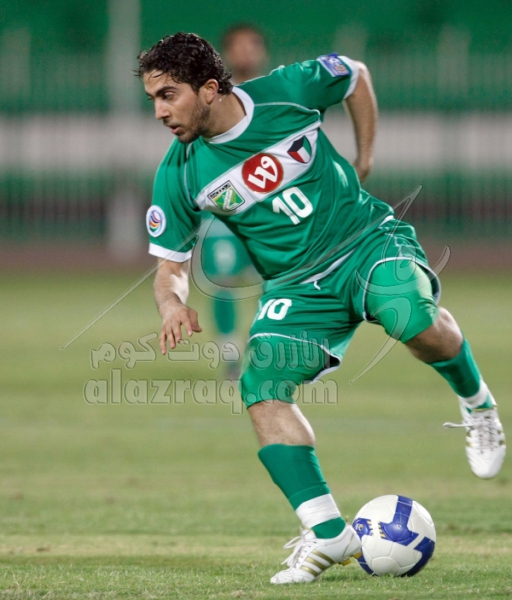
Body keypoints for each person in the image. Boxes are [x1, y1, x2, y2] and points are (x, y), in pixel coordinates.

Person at [138, 32, 506, 585]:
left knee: (409, 316)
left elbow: (355, 75)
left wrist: (365, 156)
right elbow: (169, 267)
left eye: (169, 96)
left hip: (365, 242)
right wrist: (172, 305)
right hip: (297, 288)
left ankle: (478, 406)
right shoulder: (179, 172)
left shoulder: (287, 91)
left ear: (209, 89)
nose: (160, 112)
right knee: (261, 388)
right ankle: (329, 533)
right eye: (153, 100)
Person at [200, 24, 268, 376]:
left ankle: (266, 351)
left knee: (273, 282)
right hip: (224, 206)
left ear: (261, 51)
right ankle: (230, 355)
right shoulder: (212, 99)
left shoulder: (275, 95)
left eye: (250, 46)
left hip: (268, 207)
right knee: (221, 279)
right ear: (226, 54)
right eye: (237, 47)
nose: (244, 53)